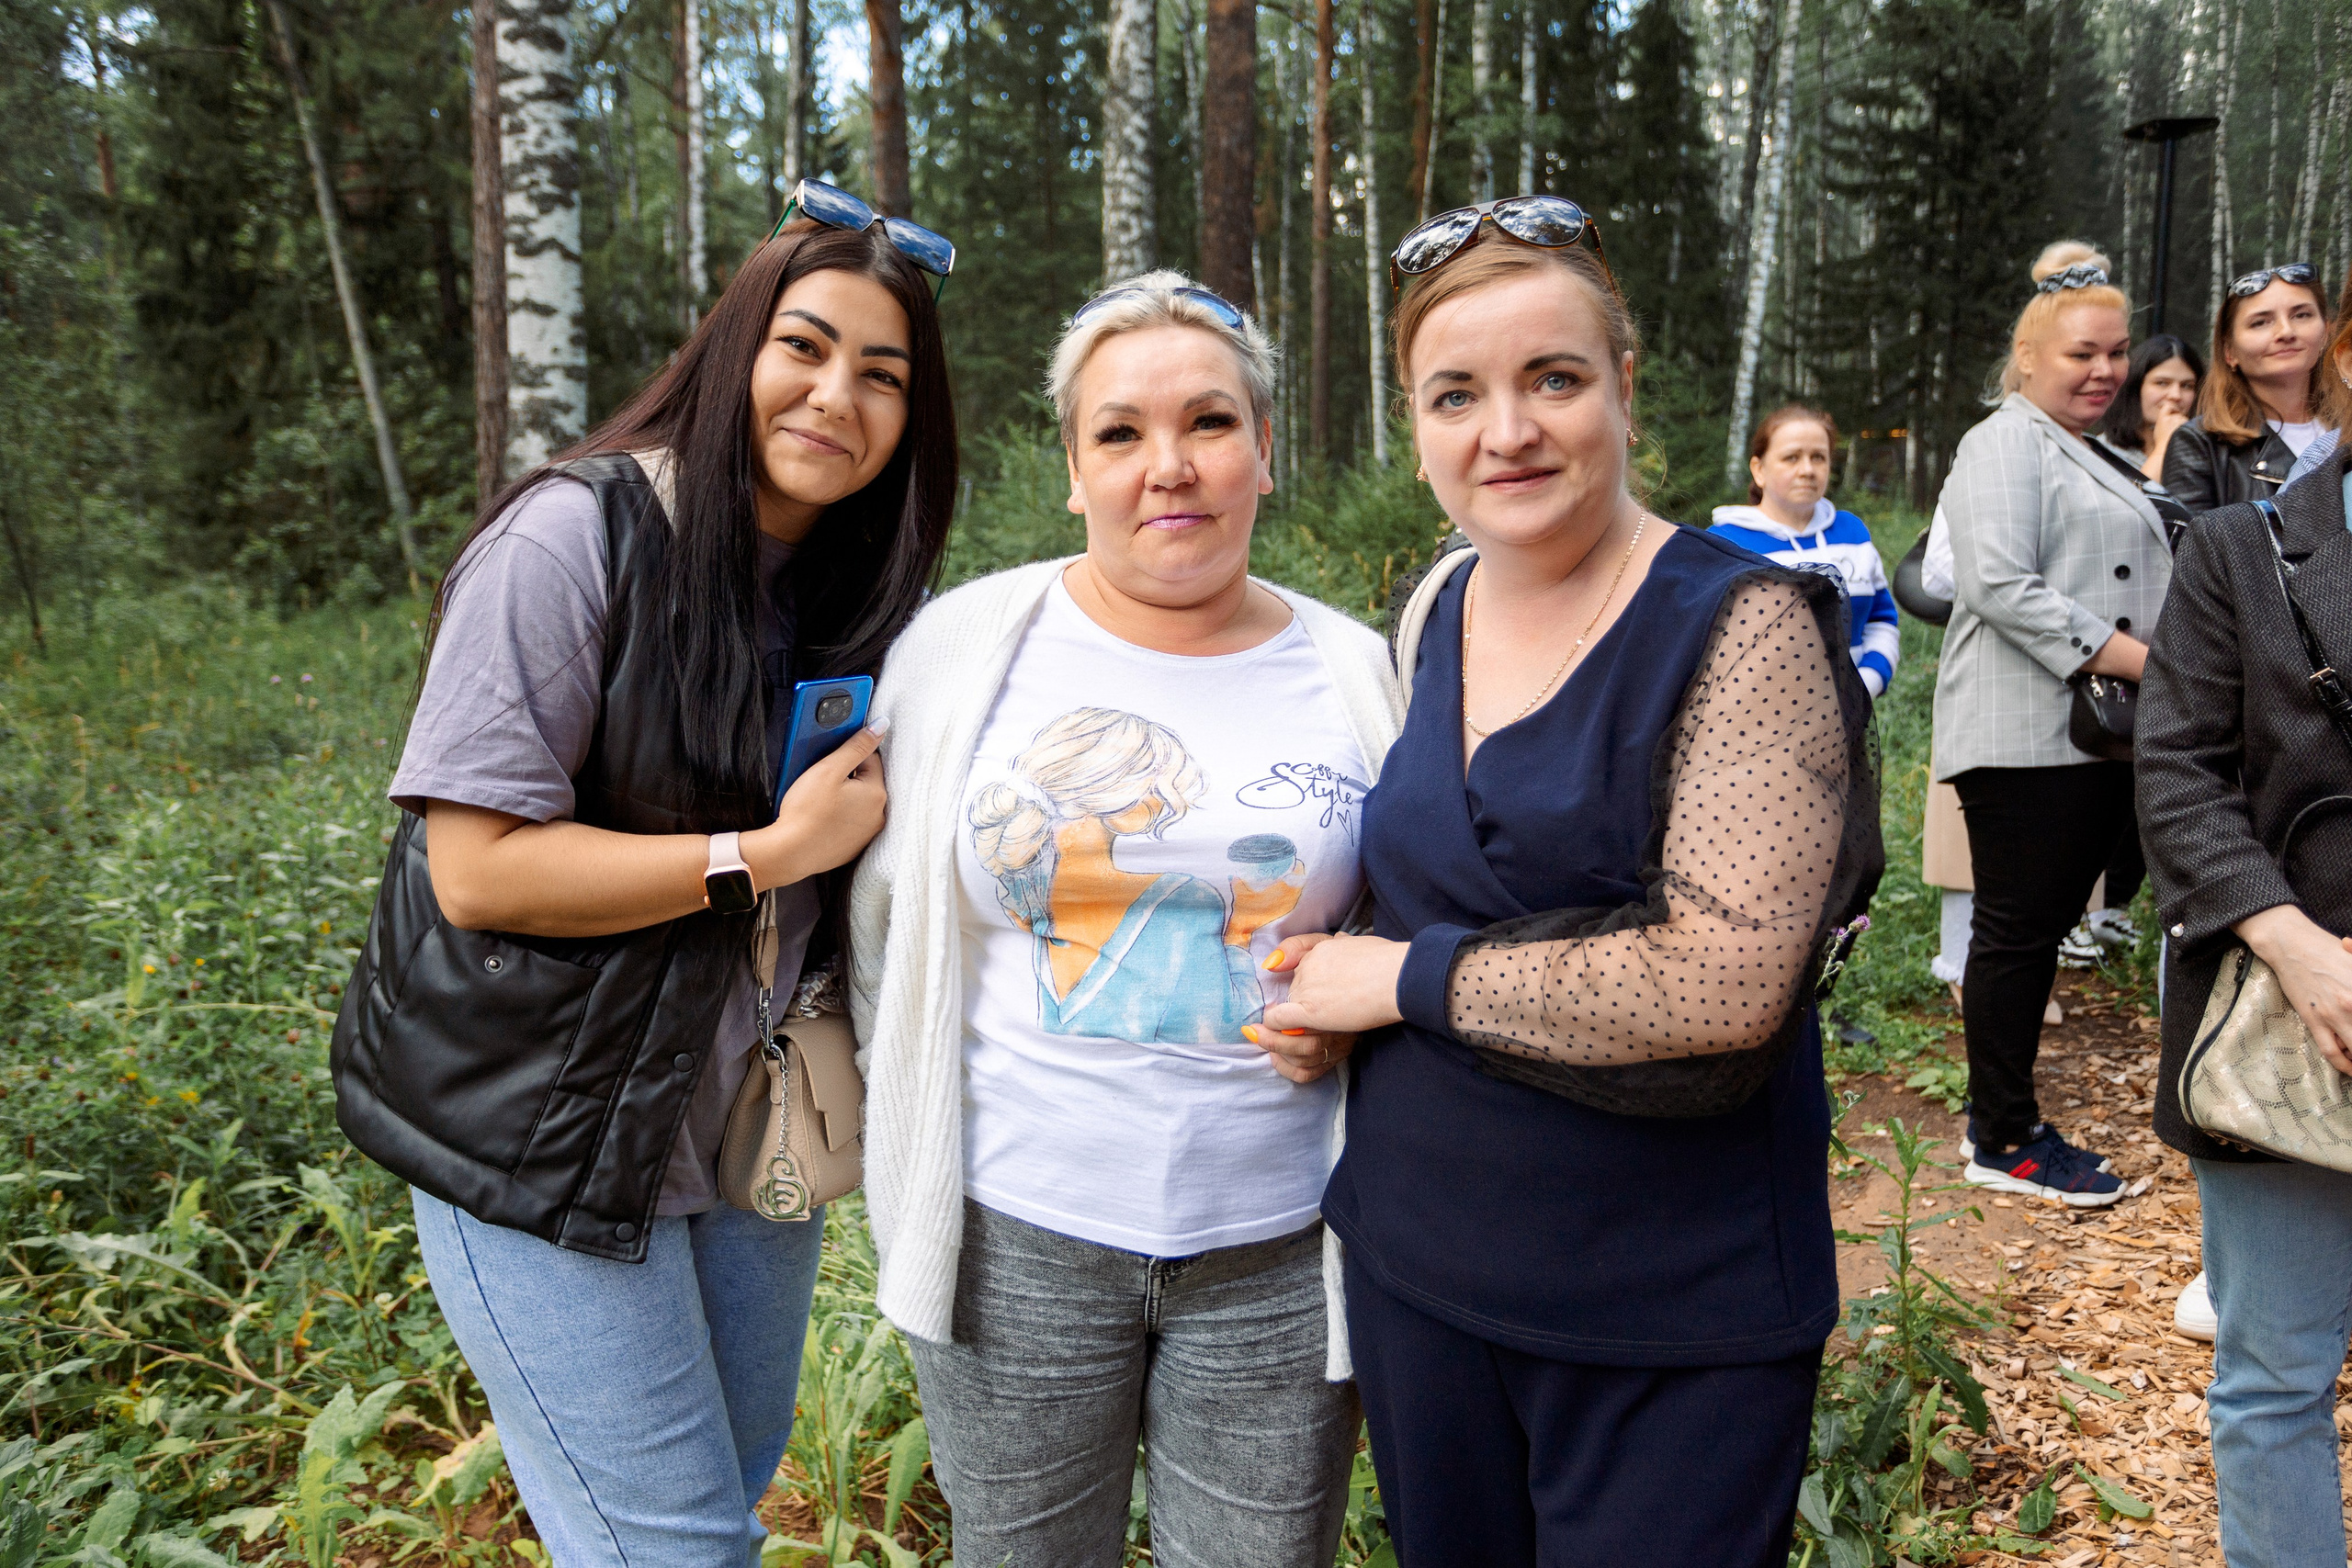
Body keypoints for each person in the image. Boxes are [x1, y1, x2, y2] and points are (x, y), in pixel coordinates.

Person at [332, 184, 959, 1565]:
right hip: (543, 1135)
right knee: (678, 1546)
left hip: (749, 1130)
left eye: (882, 373)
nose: (834, 395)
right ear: (737, 347)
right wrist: (765, 855)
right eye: (805, 346)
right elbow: (479, 870)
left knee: (708, 1508)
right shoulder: (573, 540)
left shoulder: (861, 589)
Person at [1257, 197, 1881, 1567]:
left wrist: (1399, 980)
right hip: (1421, 1275)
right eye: (1456, 394)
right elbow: (1415, 881)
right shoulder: (1438, 608)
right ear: (1414, 422)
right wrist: (1326, 973)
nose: (1508, 431)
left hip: (1669, 1312)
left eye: (1553, 378)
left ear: (1623, 387)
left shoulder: (1741, 623)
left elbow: (1720, 980)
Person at [846, 271, 1401, 1568]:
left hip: (1280, 1243)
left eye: (1210, 423)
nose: (1170, 466)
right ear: (1073, 468)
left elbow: (1404, 938)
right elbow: (884, 927)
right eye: (1120, 432)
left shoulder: (1357, 666)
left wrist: (1352, 1019)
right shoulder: (959, 646)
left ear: (1266, 450)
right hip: (1015, 1236)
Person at [2136, 367, 2352, 1568]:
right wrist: (2299, 945)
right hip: (2290, 1027)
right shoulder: (2237, 549)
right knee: (2276, 1380)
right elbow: (2177, 774)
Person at [1931, 241, 2171, 1207]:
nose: (2104, 370)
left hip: (2082, 727)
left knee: (2031, 930)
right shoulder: (2001, 442)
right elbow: (1997, 583)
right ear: (2026, 359)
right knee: (2018, 934)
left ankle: (2008, 1122)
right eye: (2081, 353)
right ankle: (2000, 1136)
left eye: (2115, 352)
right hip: (2029, 728)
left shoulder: (2088, 450)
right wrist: (2150, 666)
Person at [1709, 403, 1901, 698]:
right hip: (1755, 726)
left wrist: (1865, 686)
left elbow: (1881, 620)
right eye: (1791, 458)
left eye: (1819, 458)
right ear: (1758, 470)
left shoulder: (1853, 533)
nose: (1808, 470)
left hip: (1849, 725)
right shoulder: (1723, 543)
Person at [2164, 262, 2333, 513]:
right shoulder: (2201, 445)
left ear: (2326, 333)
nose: (2286, 332)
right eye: (2261, 322)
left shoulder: (2346, 429)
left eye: (2301, 315)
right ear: (2229, 351)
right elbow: (2194, 550)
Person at [2098, 333, 2205, 481]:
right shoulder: (2101, 453)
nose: (2176, 395)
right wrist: (2164, 447)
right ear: (2135, 387)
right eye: (2162, 383)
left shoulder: (2204, 453)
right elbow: (2138, 503)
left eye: (2187, 386)